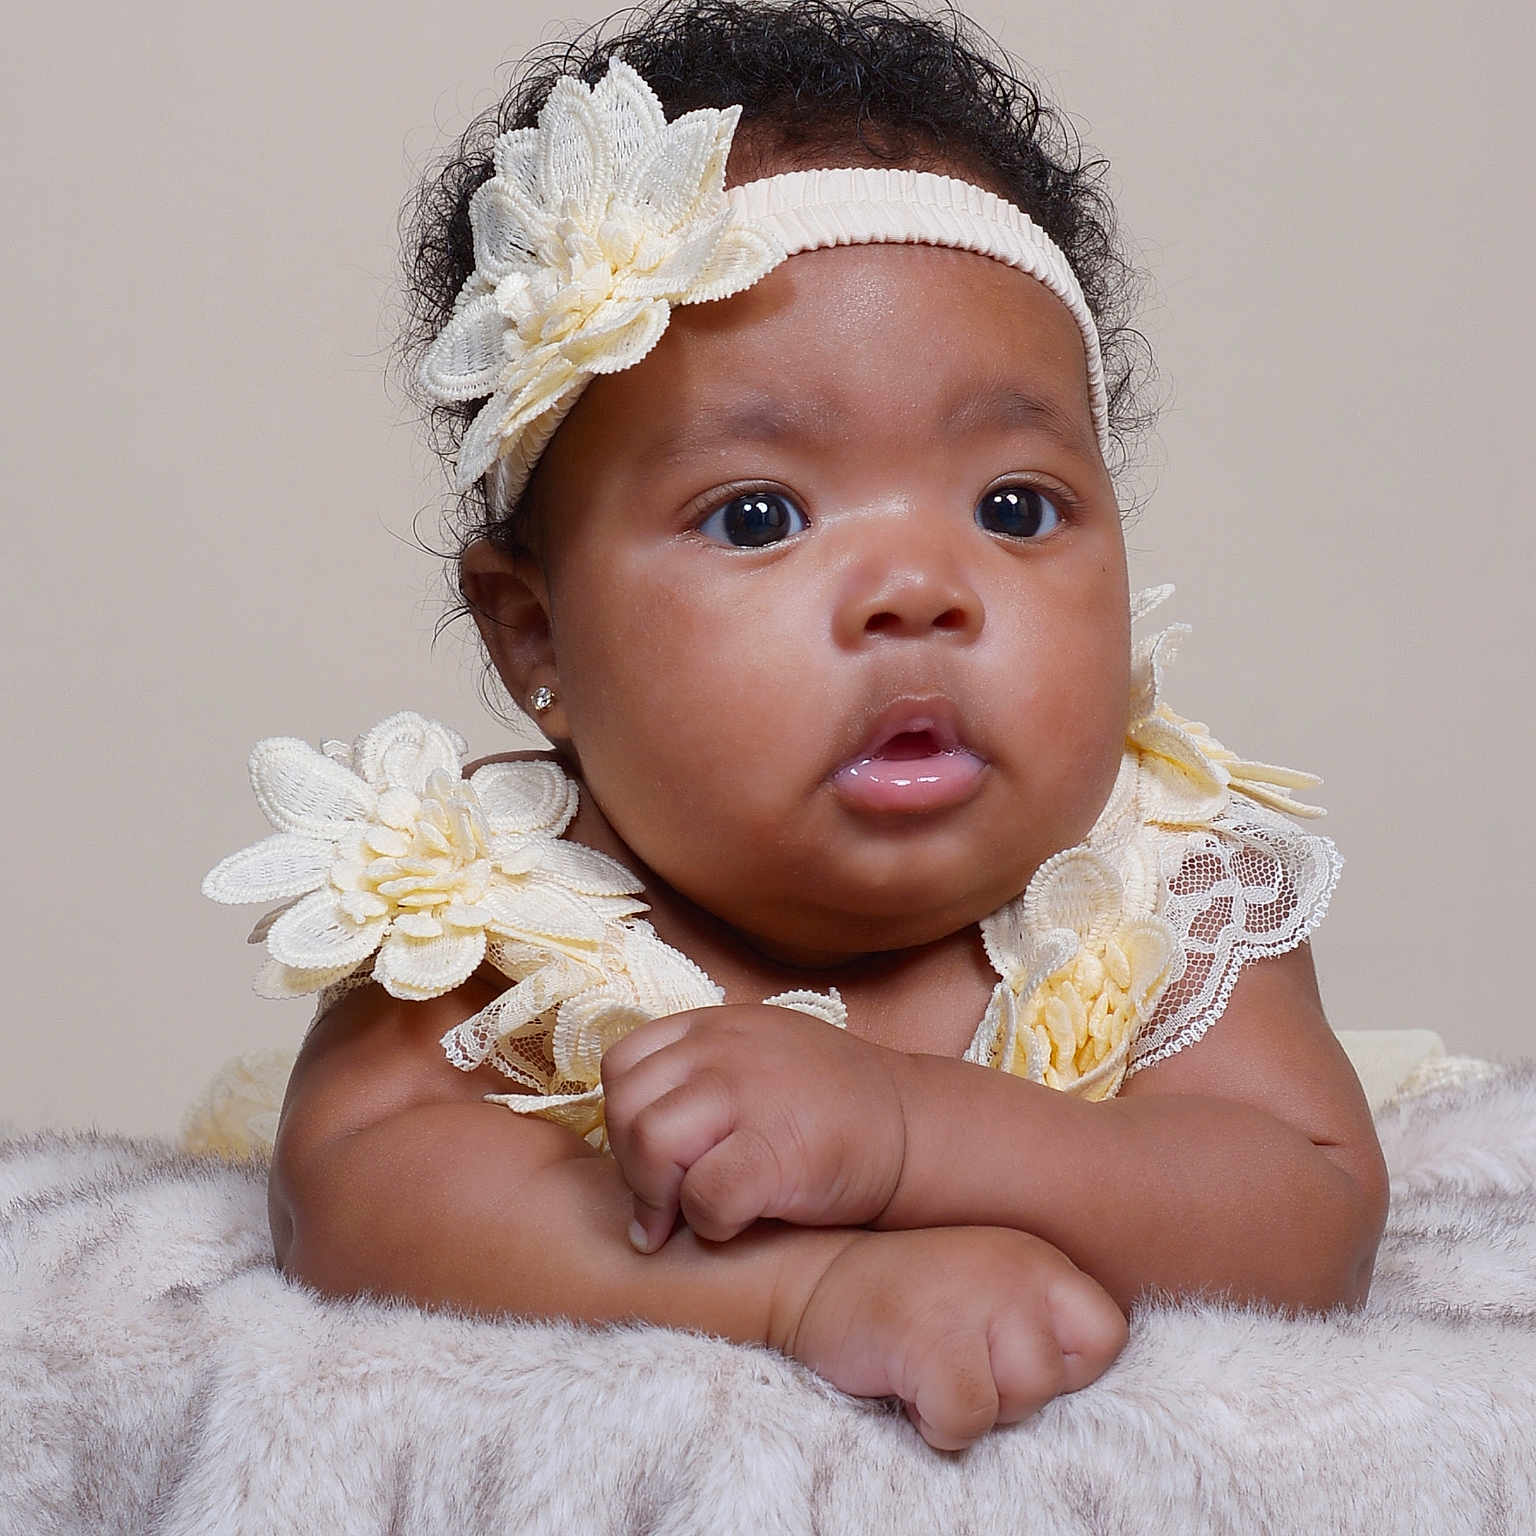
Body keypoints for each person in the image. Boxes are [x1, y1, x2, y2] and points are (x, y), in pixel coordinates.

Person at [201, 0, 1390, 1452]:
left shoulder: (1159, 891)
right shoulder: (509, 924)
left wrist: (900, 1133)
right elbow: (360, 1190)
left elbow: (1308, 1212)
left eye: (1013, 507)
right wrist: (807, 1288)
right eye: (758, 516)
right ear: (537, 638)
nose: (916, 589)